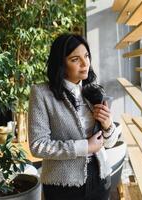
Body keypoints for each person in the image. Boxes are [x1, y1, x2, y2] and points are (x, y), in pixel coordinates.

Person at [28, 33, 120, 200]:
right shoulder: (41, 93)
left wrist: (108, 126)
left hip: (100, 178)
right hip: (63, 186)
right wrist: (85, 147)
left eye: (86, 56)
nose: (85, 64)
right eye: (75, 59)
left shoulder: (95, 92)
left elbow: (110, 142)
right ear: (61, 63)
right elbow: (38, 146)